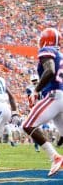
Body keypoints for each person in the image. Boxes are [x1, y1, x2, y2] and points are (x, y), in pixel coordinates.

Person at [22, 28, 63, 177]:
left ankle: (55, 157)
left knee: (27, 125)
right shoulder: (61, 55)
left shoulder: (47, 50)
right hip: (61, 96)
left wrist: (36, 90)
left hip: (54, 96)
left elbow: (50, 70)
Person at [26, 74, 42, 152]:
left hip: (42, 107)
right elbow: (30, 99)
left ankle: (38, 143)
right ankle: (36, 143)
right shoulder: (29, 88)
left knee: (38, 127)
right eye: (33, 81)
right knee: (34, 127)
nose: (34, 82)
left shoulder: (42, 85)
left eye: (35, 80)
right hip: (34, 108)